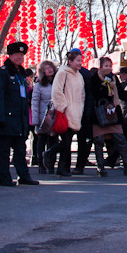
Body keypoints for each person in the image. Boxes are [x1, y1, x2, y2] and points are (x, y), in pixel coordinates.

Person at [0, 42, 37, 188]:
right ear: (9, 55)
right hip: (5, 119)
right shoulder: (1, 72)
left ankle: (24, 176)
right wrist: (0, 118)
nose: (19, 57)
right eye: (16, 54)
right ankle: (5, 177)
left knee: (20, 150)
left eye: (22, 55)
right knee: (3, 152)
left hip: (19, 120)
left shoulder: (21, 73)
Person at [91, 56, 127, 176]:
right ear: (100, 66)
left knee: (120, 139)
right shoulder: (95, 78)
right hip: (99, 114)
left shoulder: (113, 78)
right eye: (106, 66)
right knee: (99, 140)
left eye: (110, 66)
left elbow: (122, 94)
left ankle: (126, 166)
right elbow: (93, 93)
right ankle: (100, 167)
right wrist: (103, 85)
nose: (108, 68)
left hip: (114, 113)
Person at [52, 49, 85, 178]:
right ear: (70, 61)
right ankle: (62, 166)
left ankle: (62, 165)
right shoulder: (62, 73)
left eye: (81, 60)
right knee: (66, 141)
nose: (80, 63)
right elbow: (56, 91)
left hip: (76, 112)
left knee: (68, 141)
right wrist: (63, 107)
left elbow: (81, 94)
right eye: (78, 61)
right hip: (65, 112)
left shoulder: (79, 75)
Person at [30, 61, 55, 174]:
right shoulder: (39, 85)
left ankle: (51, 164)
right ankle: (41, 164)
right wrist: (35, 119)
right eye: (46, 68)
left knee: (53, 141)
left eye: (51, 67)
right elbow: (34, 102)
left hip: (55, 116)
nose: (49, 70)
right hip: (42, 117)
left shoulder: (57, 82)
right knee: (41, 140)